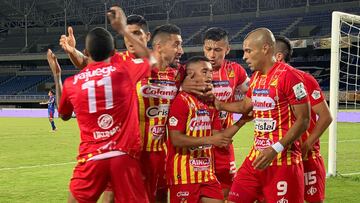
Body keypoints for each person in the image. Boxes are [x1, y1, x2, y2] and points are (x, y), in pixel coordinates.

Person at [48, 6, 152, 203]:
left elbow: (63, 113)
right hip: (126, 152)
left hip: (95, 157)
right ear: (113, 51)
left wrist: (58, 75)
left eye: (136, 34)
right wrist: (121, 28)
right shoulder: (123, 68)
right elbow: (150, 59)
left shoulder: (72, 83)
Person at [215, 28, 310, 203]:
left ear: (265, 48)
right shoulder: (257, 77)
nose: (244, 57)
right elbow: (245, 106)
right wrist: (219, 104)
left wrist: (275, 149)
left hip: (282, 161)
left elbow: (304, 119)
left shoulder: (290, 76)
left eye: (248, 51)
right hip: (256, 158)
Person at [166, 56, 248, 203]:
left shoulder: (210, 103)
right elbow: (176, 139)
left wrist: (242, 121)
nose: (210, 75)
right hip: (184, 175)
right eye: (204, 71)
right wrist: (210, 139)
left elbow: (220, 138)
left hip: (207, 174)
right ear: (190, 74)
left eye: (210, 72)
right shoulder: (181, 101)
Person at [275, 35, 332, 203]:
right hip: (279, 157)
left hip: (306, 156)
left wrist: (307, 144)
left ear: (278, 56)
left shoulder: (303, 79)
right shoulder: (262, 80)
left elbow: (326, 116)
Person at [202, 27, 249, 198]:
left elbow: (250, 97)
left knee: (226, 188)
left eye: (217, 50)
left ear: (227, 49)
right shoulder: (191, 70)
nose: (212, 55)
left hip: (224, 140)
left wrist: (223, 106)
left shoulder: (236, 70)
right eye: (208, 49)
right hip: (198, 143)